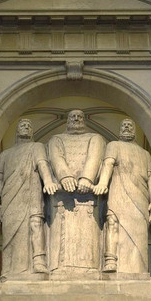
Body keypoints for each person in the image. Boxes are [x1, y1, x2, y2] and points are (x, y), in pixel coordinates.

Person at [0, 119, 58, 277]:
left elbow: (42, 164)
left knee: (35, 223)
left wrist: (48, 181)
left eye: (29, 126)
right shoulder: (5, 154)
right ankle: (7, 270)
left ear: (32, 131)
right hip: (10, 196)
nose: (26, 127)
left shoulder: (36, 147)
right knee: (9, 231)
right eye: (22, 125)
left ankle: (39, 262)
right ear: (17, 130)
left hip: (32, 191)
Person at [93, 118, 151, 273]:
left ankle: (139, 268)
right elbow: (108, 164)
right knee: (112, 221)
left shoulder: (145, 154)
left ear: (134, 129)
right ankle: (110, 261)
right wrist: (102, 183)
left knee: (139, 232)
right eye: (124, 125)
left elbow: (150, 178)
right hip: (118, 190)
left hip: (140, 195)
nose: (127, 127)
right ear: (120, 129)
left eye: (130, 125)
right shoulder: (113, 145)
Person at [47, 109, 106, 273]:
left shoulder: (94, 138)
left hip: (88, 194)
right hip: (62, 194)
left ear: (84, 120)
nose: (76, 118)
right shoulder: (56, 139)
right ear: (67, 120)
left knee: (87, 236)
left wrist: (87, 178)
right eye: (73, 116)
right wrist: (65, 177)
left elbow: (94, 157)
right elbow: (56, 158)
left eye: (80, 116)